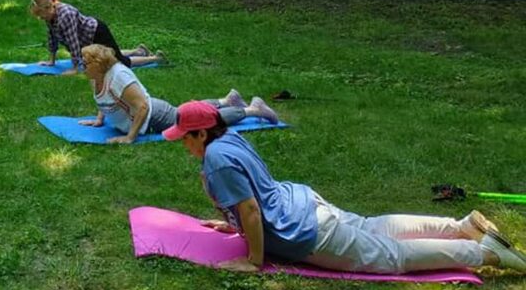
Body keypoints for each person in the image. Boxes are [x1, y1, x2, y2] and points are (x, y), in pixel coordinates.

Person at [161, 100, 526, 274]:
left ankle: (486, 253)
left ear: (202, 132)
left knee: (391, 257)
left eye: (184, 138)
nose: (182, 144)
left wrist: (253, 260)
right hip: (304, 202)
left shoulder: (216, 158)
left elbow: (253, 210)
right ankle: (460, 227)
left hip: (303, 230)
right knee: (371, 226)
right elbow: (250, 199)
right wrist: (234, 223)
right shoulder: (229, 140)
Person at [78, 44, 277, 144]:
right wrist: (99, 120)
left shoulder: (119, 76)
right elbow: (104, 100)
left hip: (154, 116)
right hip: (148, 115)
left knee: (198, 122)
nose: (81, 65)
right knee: (189, 112)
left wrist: (130, 137)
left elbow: (142, 106)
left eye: (85, 62)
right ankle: (227, 100)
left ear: (98, 63)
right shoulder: (95, 76)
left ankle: (253, 110)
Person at [29, 0, 164, 76]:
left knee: (118, 61)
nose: (41, 18)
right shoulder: (49, 16)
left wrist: (76, 68)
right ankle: (139, 51)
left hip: (97, 32)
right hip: (86, 38)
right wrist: (51, 61)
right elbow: (52, 37)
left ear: (48, 8)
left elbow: (73, 42)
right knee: (107, 55)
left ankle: (155, 58)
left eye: (41, 15)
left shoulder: (66, 15)